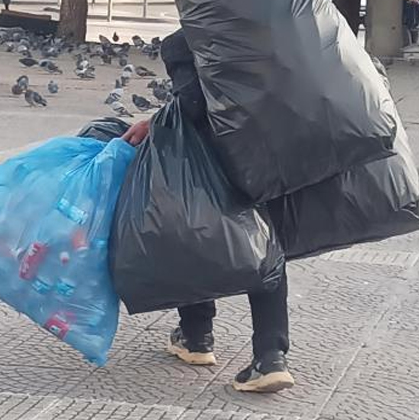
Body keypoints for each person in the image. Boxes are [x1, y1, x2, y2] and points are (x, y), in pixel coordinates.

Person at [123, 30, 295, 394]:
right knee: (265, 247)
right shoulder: (277, 26)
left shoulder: (197, 35)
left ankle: (198, 334)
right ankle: (270, 354)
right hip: (266, 153)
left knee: (193, 230)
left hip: (212, 159)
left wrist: (157, 122)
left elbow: (194, 106)